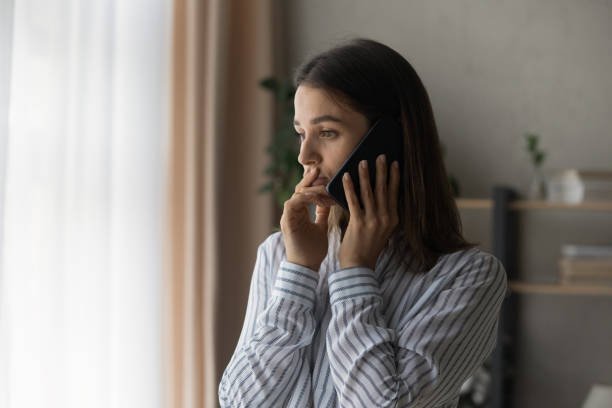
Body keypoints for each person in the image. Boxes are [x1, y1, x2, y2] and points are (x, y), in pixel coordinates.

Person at [218, 38, 508, 408]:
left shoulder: (467, 277)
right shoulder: (281, 254)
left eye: (327, 133)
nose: (305, 156)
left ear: (388, 142)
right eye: (301, 134)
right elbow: (241, 402)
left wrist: (355, 272)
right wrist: (299, 272)